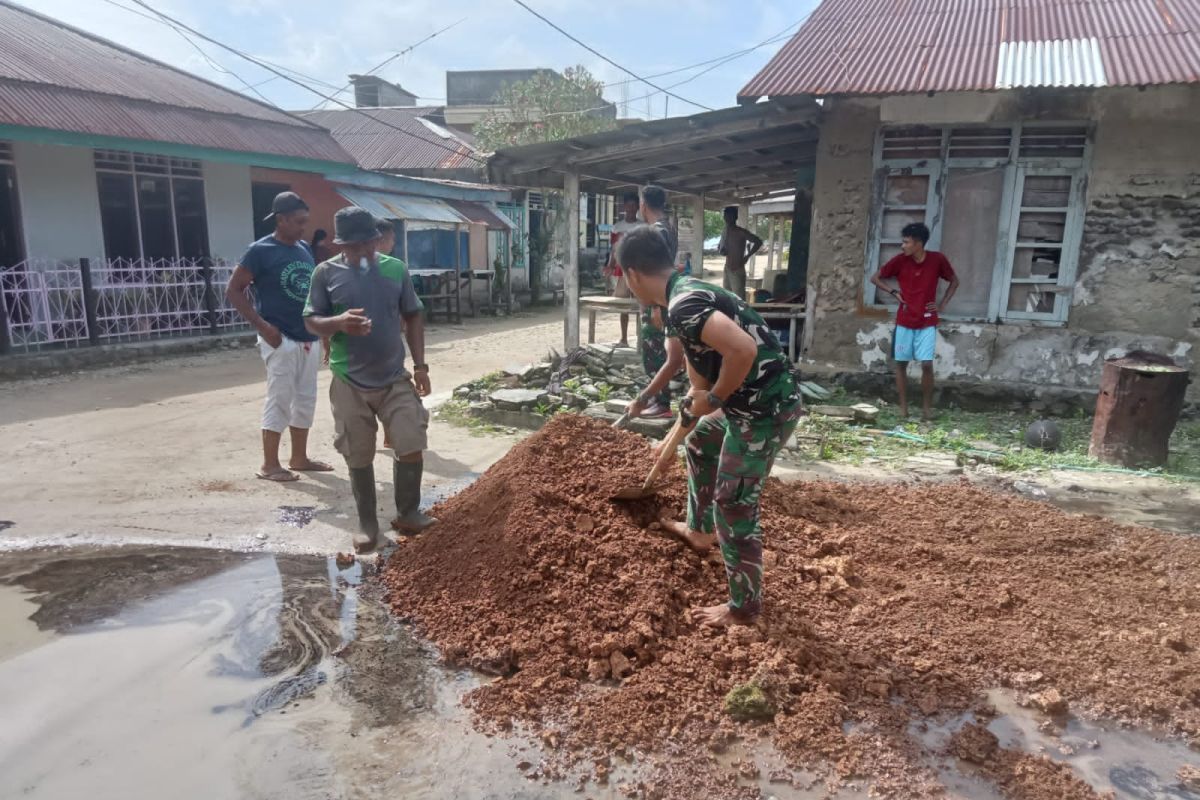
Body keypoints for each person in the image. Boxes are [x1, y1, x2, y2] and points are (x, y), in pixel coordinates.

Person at [617, 225, 803, 629]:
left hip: (765, 409)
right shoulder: (679, 297)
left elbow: (743, 350)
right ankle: (700, 530)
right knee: (701, 440)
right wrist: (672, 438)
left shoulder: (684, 304)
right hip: (747, 402)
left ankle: (744, 608)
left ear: (632, 274)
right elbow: (698, 383)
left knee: (735, 504)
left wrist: (716, 399)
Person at [303, 207, 436, 553]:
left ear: (376, 241)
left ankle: (408, 512)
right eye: (351, 247)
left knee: (410, 439)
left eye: (366, 245)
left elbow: (413, 314)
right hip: (349, 379)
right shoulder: (324, 273)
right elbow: (311, 320)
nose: (360, 252)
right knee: (357, 452)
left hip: (394, 377)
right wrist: (338, 323)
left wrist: (421, 365)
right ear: (341, 245)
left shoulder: (396, 270)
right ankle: (367, 524)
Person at [226, 191, 333, 482]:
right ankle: (269, 465)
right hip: (280, 337)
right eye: (298, 222)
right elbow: (233, 290)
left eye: (305, 221)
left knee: (306, 399)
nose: (303, 228)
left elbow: (311, 293)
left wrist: (322, 332)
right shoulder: (260, 251)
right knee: (280, 399)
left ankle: (299, 457)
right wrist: (263, 326)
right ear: (281, 219)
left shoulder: (302, 248)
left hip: (307, 335)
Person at [869, 222, 960, 421]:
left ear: (918, 243)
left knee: (927, 364)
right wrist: (893, 292)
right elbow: (874, 278)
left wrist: (942, 304)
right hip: (904, 320)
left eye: (906, 242)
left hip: (927, 321)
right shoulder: (900, 261)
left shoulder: (937, 260)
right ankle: (904, 410)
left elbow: (954, 281)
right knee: (901, 364)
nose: (902, 246)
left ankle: (927, 411)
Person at [631, 184, 682, 418]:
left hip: (657, 299)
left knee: (652, 350)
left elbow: (656, 270)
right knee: (660, 350)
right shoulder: (668, 228)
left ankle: (661, 403)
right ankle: (660, 401)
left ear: (643, 204)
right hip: (662, 297)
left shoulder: (657, 232)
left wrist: (654, 306)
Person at [604, 194, 640, 347]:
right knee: (623, 305)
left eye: (634, 205)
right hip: (621, 270)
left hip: (639, 271)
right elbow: (613, 250)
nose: (631, 209)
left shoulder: (643, 226)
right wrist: (610, 266)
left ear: (638, 207)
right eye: (628, 205)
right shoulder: (617, 227)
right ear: (624, 207)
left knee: (641, 304)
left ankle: (640, 338)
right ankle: (624, 339)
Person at [717, 206, 763, 301]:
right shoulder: (725, 231)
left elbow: (758, 242)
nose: (726, 218)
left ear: (735, 217)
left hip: (737, 269)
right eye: (725, 216)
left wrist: (747, 256)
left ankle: (740, 316)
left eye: (729, 215)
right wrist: (721, 251)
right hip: (727, 268)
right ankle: (730, 315)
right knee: (727, 297)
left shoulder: (740, 232)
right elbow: (720, 247)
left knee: (739, 300)